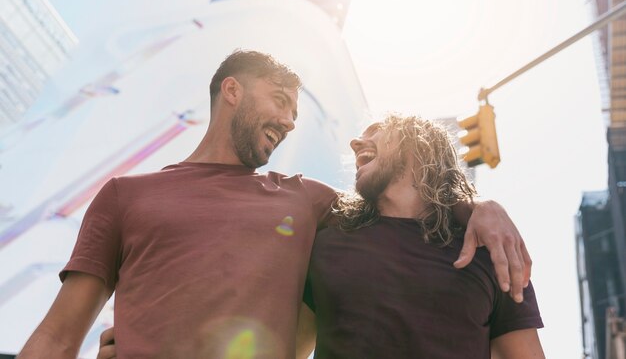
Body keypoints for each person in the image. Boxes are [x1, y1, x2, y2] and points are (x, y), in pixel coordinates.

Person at [18, 51, 530, 359]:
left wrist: (482, 206)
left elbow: (407, 204)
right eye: (281, 99)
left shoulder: (307, 201)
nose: (289, 120)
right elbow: (57, 337)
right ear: (232, 90)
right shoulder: (124, 196)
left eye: (295, 112)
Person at [298, 114, 544, 358]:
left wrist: (484, 206)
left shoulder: (491, 253)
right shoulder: (328, 243)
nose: (355, 143)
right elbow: (286, 349)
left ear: (420, 145)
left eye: (377, 130)